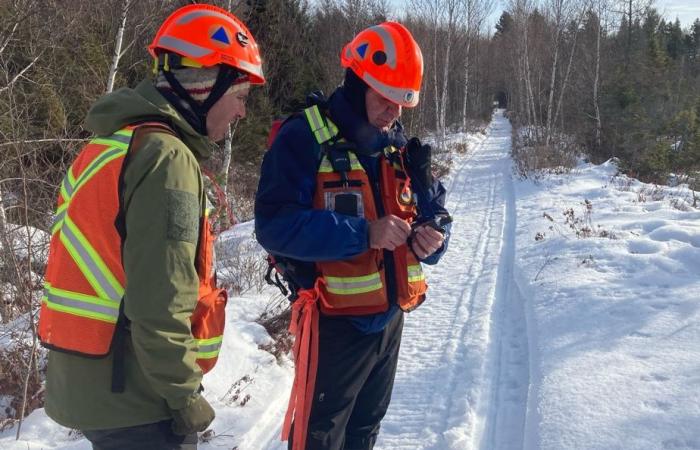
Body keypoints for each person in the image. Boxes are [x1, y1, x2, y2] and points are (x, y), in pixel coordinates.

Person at [37, 4, 264, 449]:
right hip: (138, 396)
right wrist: (184, 395)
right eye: (239, 96)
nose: (241, 113)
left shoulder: (109, 145)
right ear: (204, 87)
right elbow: (160, 299)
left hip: (93, 379)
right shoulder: (167, 159)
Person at [255, 22, 451, 450]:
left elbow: (435, 208)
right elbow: (273, 225)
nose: (394, 112)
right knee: (317, 436)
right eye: (386, 98)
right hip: (332, 324)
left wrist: (433, 234)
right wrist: (364, 234)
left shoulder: (397, 146)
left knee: (365, 431)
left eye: (403, 102)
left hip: (389, 320)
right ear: (358, 82)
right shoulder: (304, 137)